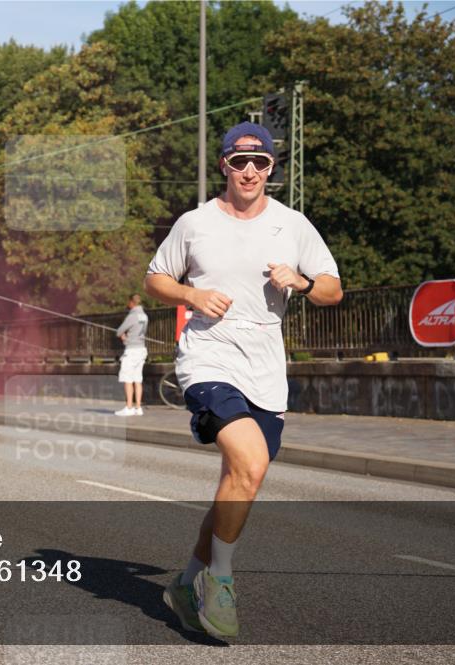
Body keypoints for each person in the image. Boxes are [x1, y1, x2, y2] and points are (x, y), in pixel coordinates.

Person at [145, 122, 342, 638]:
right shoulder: (194, 223)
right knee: (249, 461)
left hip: (266, 367)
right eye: (239, 162)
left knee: (243, 479)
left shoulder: (293, 224)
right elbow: (156, 277)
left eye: (260, 163)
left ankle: (186, 583)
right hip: (208, 357)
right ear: (224, 166)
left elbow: (333, 290)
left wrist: (300, 282)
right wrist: (190, 297)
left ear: (272, 168)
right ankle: (222, 583)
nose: (249, 171)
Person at [113, 293, 148, 416]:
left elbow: (119, 331)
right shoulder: (144, 315)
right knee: (138, 379)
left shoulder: (132, 315)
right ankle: (138, 407)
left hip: (132, 350)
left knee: (128, 378)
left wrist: (124, 337)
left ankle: (129, 407)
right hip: (141, 349)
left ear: (132, 302)